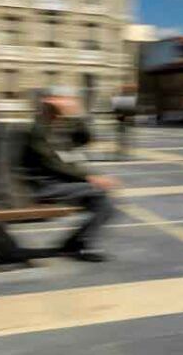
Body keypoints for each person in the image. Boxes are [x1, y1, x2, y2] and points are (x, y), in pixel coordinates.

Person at [22, 87, 120, 262]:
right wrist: (89, 178)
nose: (69, 102)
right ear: (48, 101)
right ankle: (77, 244)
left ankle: (75, 243)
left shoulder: (58, 125)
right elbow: (51, 163)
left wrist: (78, 115)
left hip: (56, 183)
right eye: (63, 98)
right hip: (40, 186)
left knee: (105, 202)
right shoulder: (39, 129)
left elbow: (85, 139)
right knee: (101, 195)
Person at [111, 85, 138, 160]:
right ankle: (123, 148)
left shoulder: (123, 99)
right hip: (123, 120)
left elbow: (117, 110)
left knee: (122, 135)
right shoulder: (128, 99)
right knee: (123, 135)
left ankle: (122, 148)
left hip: (122, 120)